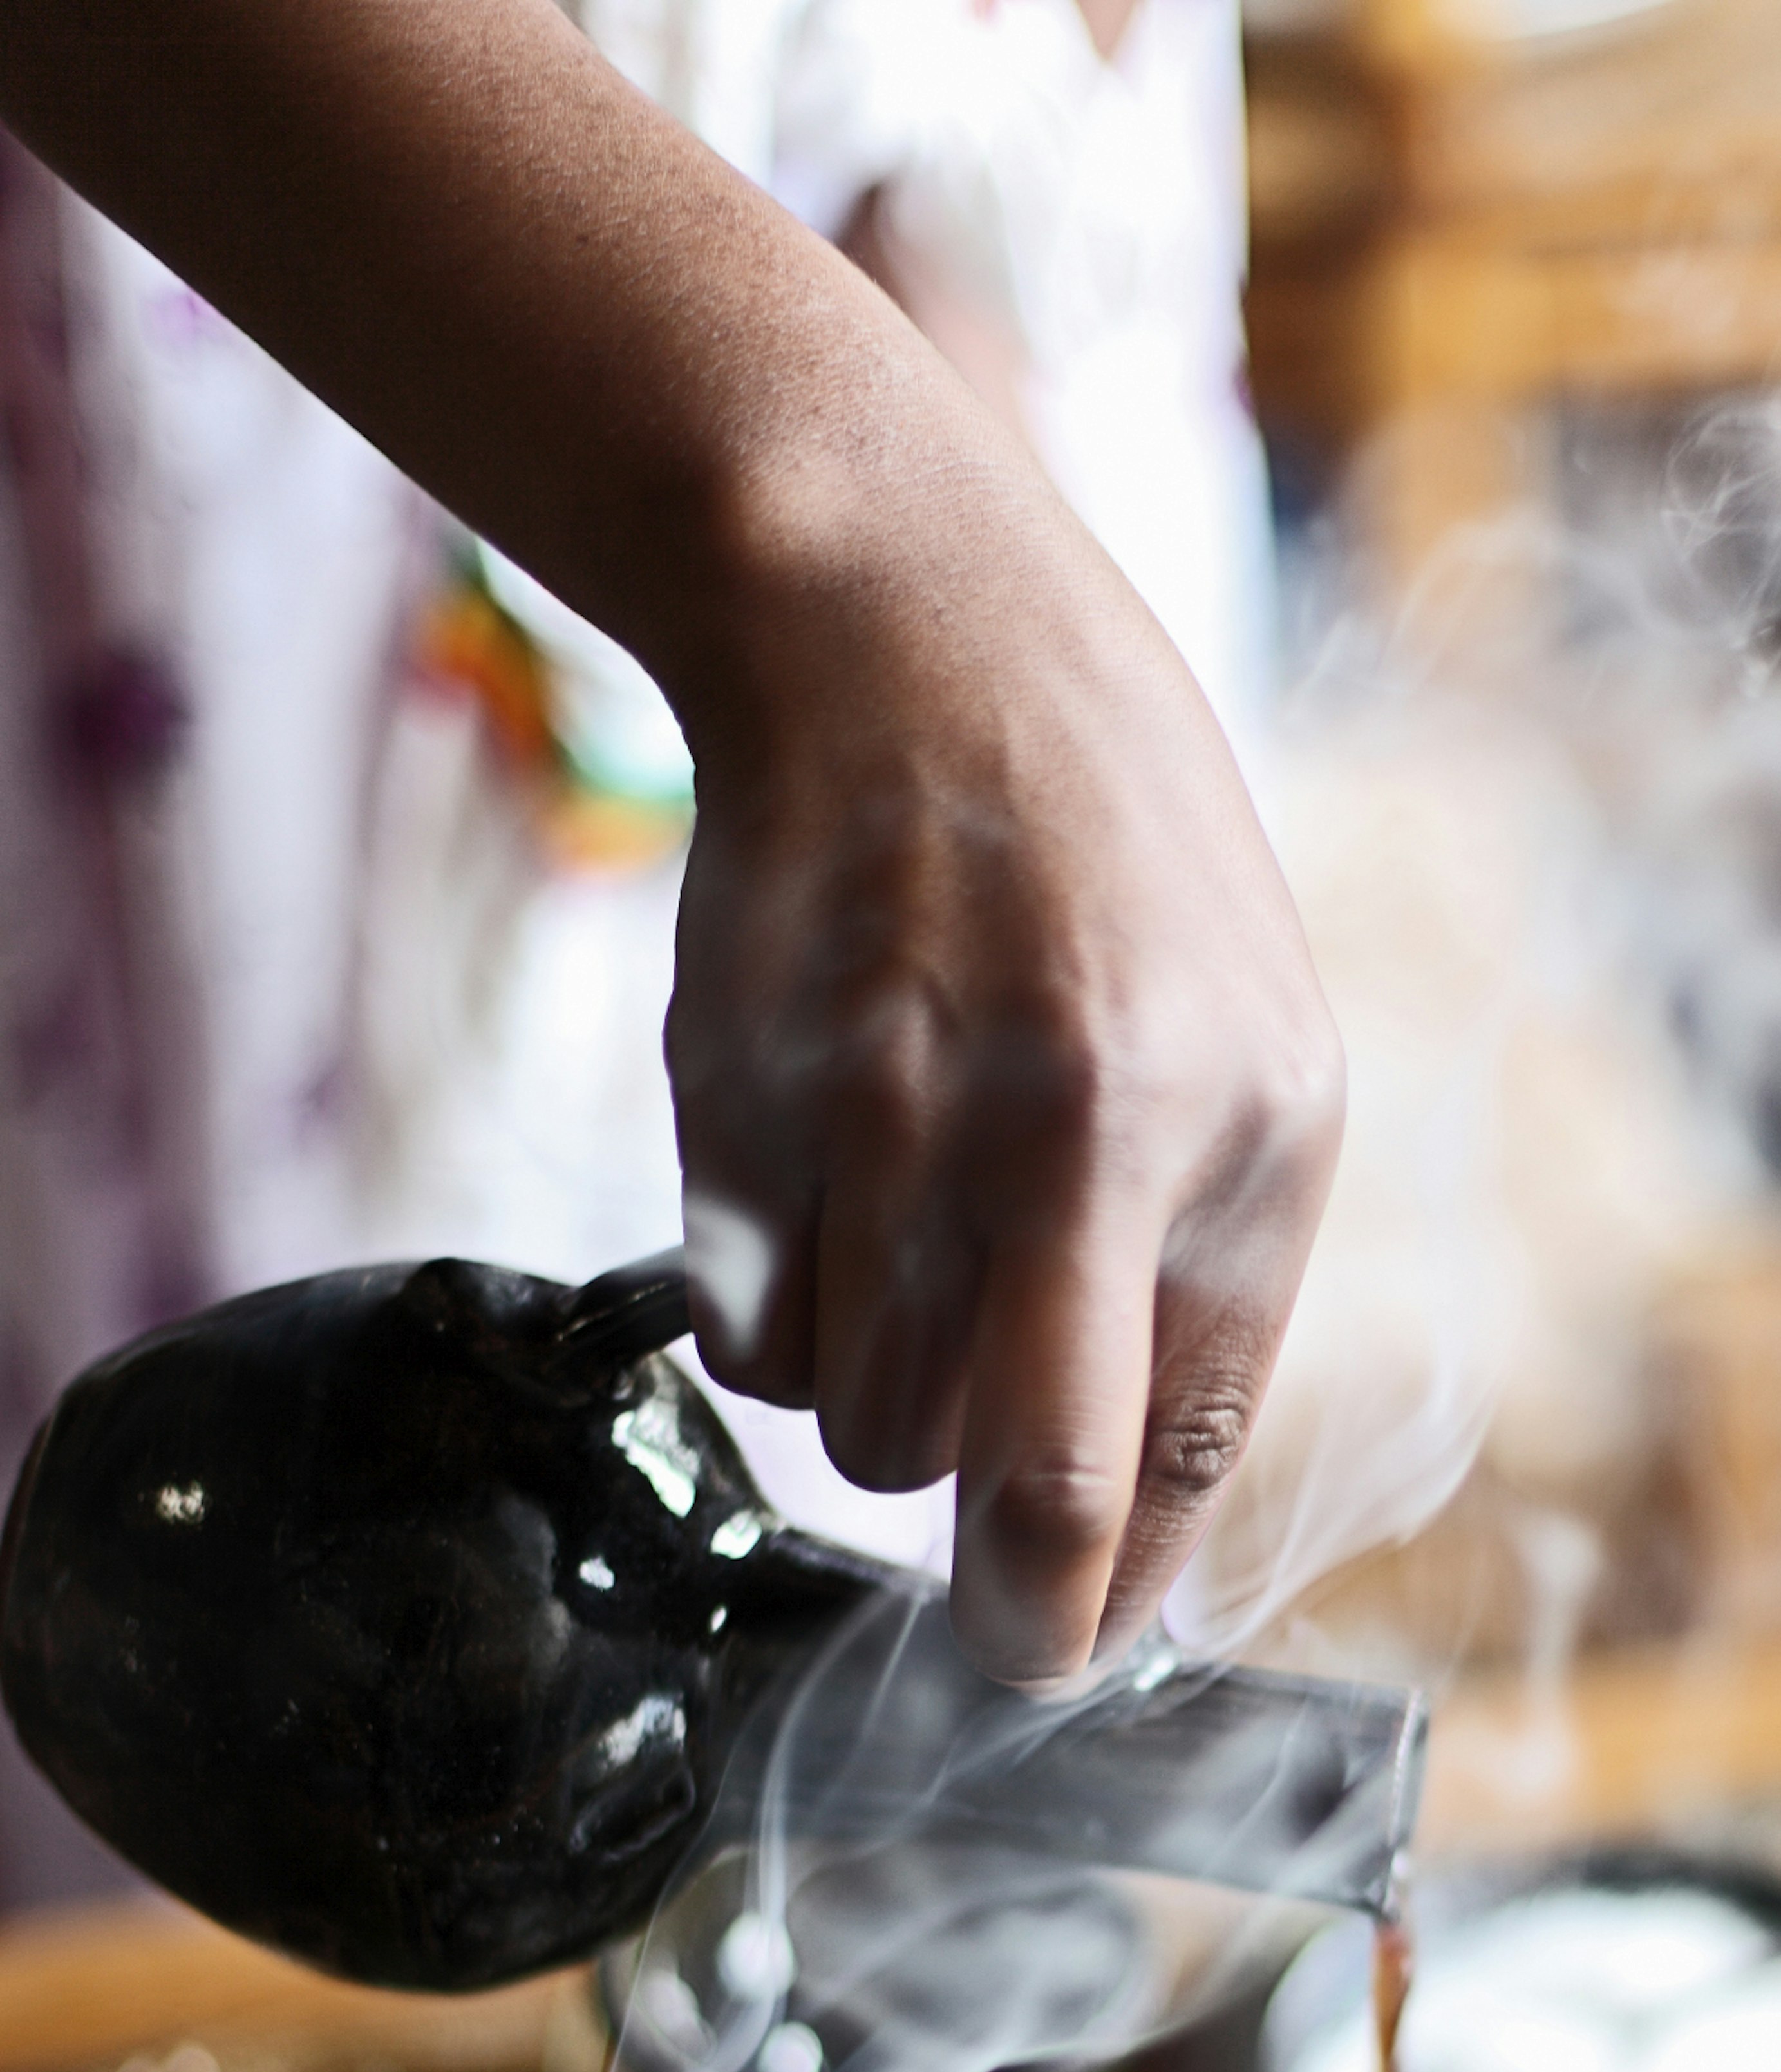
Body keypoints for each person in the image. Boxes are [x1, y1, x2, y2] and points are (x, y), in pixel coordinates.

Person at [0, 0, 1343, 1695]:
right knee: (232, 1622)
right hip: (279, 236)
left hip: (1008, 341)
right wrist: (843, 505)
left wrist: (954, 466)